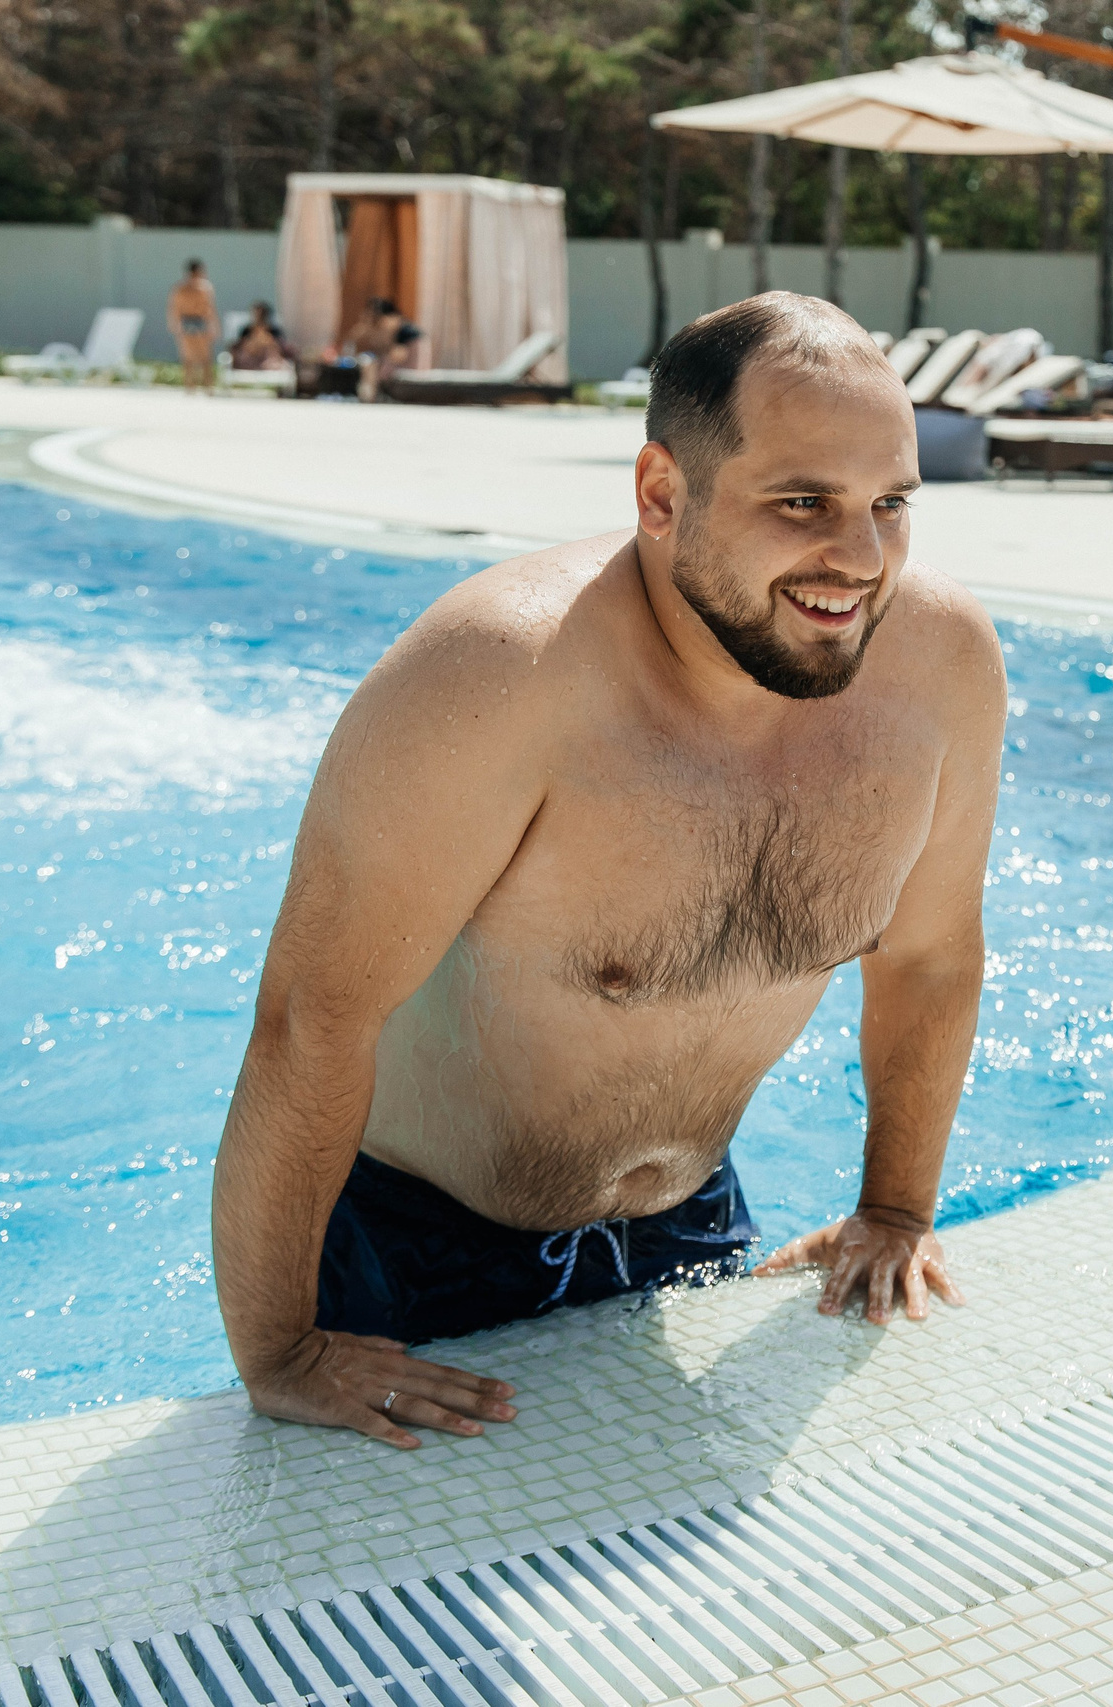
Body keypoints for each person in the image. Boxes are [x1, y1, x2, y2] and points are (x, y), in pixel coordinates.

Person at [210, 292, 1005, 1449]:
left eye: (890, 503)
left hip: (689, 1228)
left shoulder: (937, 669)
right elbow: (312, 1018)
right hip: (409, 1255)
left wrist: (893, 1208)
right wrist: (279, 1353)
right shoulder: (497, 679)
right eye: (803, 504)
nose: (860, 559)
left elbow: (932, 958)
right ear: (661, 495)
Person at [345, 297, 423, 401]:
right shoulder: (398, 328)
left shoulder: (402, 330)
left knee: (373, 366)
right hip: (400, 366)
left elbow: (398, 354)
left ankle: (371, 398)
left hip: (410, 369)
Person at [168, 260, 217, 394]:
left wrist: (213, 325)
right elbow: (175, 307)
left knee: (205, 356)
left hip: (201, 321)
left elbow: (210, 309)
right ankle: (189, 385)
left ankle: (208, 385)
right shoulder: (181, 288)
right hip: (187, 321)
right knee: (188, 356)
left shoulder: (205, 288)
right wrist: (176, 324)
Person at [230, 301, 296, 372]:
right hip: (250, 359)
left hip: (269, 361)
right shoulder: (247, 330)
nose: (258, 316)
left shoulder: (274, 331)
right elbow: (239, 346)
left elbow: (279, 347)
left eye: (261, 314)